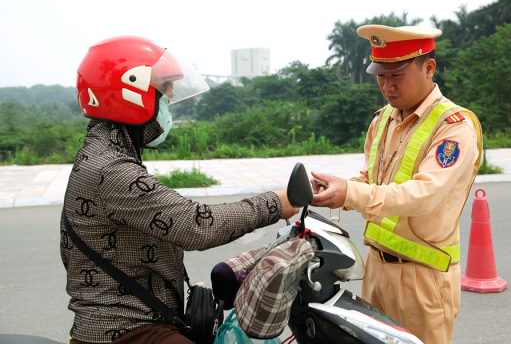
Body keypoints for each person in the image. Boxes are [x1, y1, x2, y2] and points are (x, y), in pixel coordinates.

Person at [60, 36, 298, 344]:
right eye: (163, 87)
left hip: (139, 319)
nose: (170, 96)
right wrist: (277, 203)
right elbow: (197, 225)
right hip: (126, 329)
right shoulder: (112, 169)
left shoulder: (106, 152)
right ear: (129, 92)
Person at [311, 25, 482, 344]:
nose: (387, 86)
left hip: (422, 277)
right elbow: (369, 180)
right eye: (380, 75)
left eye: (397, 75)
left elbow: (424, 194)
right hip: (376, 270)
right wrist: (337, 191)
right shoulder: (383, 119)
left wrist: (352, 192)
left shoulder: (454, 127)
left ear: (429, 68)